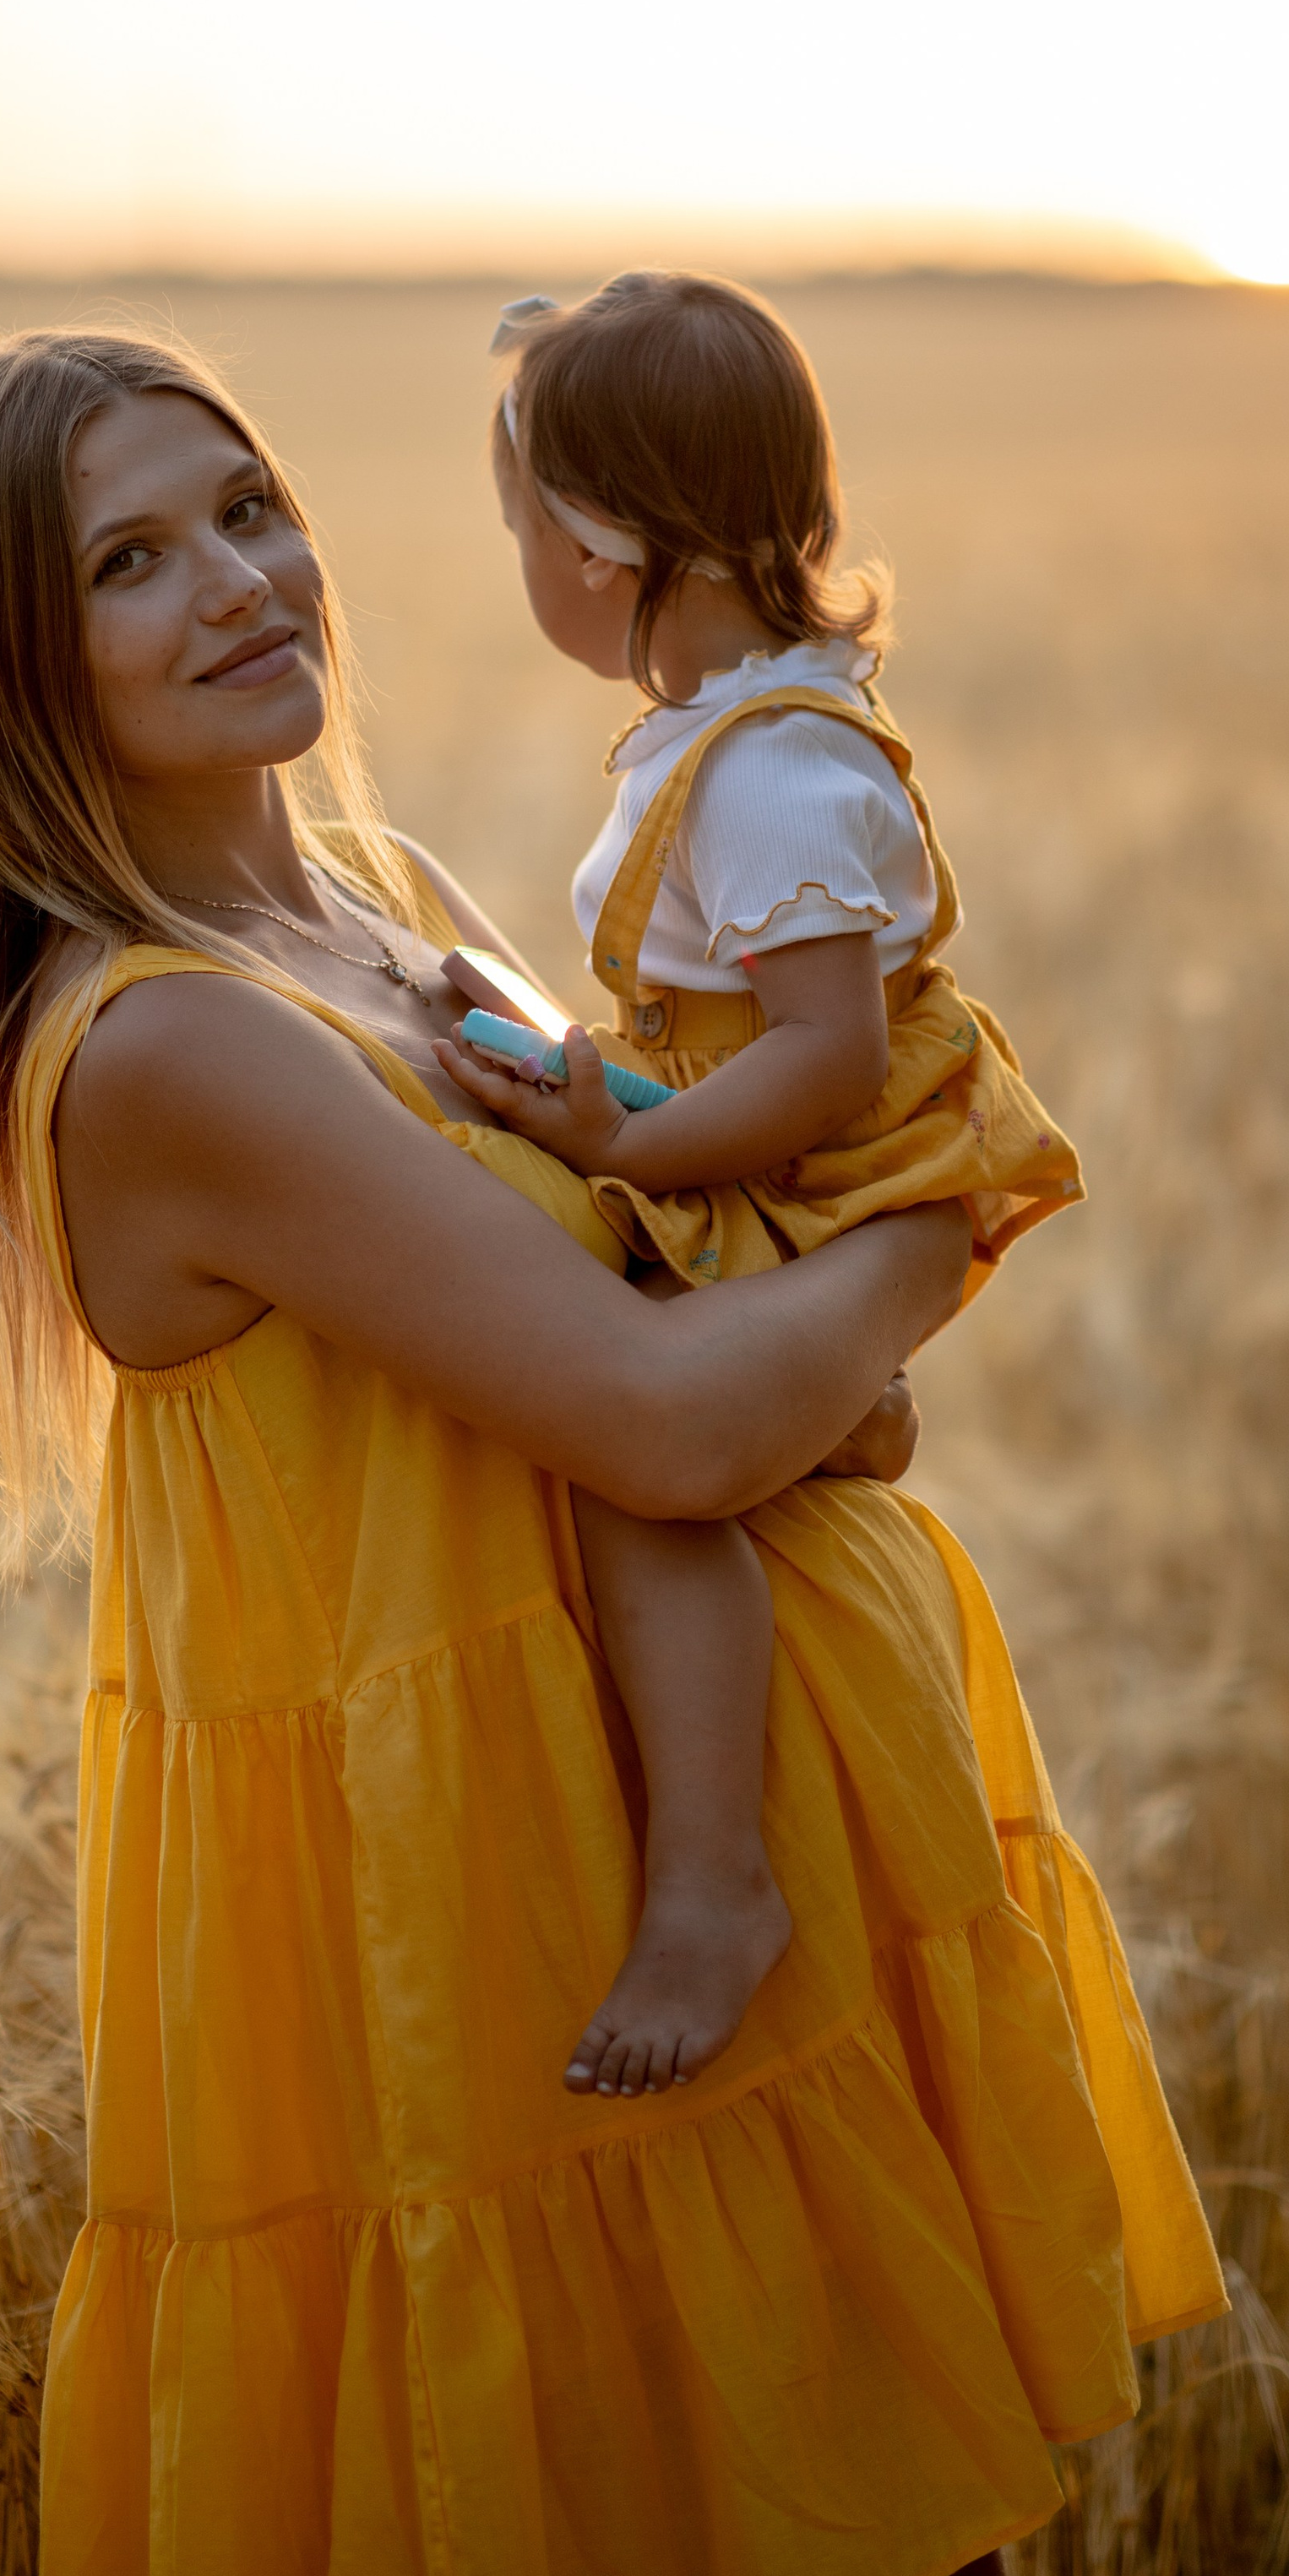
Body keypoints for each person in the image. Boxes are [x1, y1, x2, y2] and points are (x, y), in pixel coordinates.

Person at [0, 323, 1225, 2576]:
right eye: (128, 559)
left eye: (247, 507)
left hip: (693, 1889)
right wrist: (941, 1218)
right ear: (10, 665)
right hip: (501, 1962)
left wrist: (796, 1325)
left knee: (872, 2547)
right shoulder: (171, 1038)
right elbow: (685, 1410)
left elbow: (682, 1282)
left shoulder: (381, 905)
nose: (239, 581)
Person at [441, 274, 1089, 2105]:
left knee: (637, 1461)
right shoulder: (738, 731)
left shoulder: (776, 776)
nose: (520, 564)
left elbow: (813, 1060)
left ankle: (714, 1883)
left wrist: (626, 1145)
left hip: (830, 1154)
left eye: (517, 525)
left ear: (596, 537)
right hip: (765, 1126)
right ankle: (815, 1411)